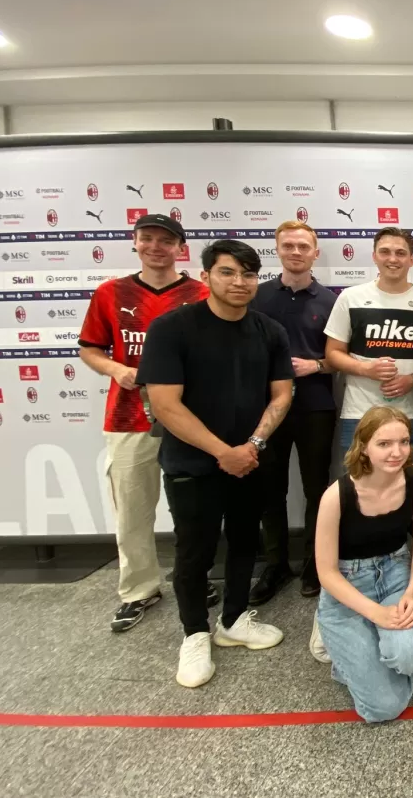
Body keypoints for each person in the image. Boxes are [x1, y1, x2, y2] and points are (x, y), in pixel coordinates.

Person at [137, 240, 294, 689]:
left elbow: (282, 393)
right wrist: (222, 451)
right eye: (228, 273)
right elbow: (165, 404)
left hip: (250, 460)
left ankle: (234, 619)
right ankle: (194, 633)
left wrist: (253, 444)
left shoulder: (269, 331)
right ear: (205, 276)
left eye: (248, 274)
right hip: (193, 464)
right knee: (194, 552)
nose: (239, 282)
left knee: (246, 542)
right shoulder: (172, 329)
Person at [78, 213, 213, 633]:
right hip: (128, 419)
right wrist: (116, 369)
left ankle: (196, 578)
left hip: (191, 419)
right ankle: (139, 589)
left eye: (166, 241)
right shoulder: (110, 293)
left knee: (195, 510)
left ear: (181, 249)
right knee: (133, 511)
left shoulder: (202, 293)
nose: (156, 247)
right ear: (135, 243)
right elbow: (89, 349)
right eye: (148, 239)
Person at [313, 406, 413, 723]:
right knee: (384, 708)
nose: (397, 452)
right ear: (364, 447)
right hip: (347, 585)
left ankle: (369, 649)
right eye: (384, 444)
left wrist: (411, 593)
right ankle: (341, 639)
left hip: (397, 574)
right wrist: (377, 613)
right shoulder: (336, 496)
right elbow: (326, 573)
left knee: (409, 658)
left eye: (404, 442)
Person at [249, 221, 338, 604]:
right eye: (289, 246)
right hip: (266, 408)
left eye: (304, 246)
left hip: (315, 405)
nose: (296, 252)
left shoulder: (332, 301)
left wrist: (315, 366)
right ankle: (275, 565)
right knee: (271, 488)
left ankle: (314, 565)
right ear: (278, 250)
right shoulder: (256, 296)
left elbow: (342, 359)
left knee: (317, 488)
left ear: (315, 253)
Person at [324, 227, 413, 462]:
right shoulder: (350, 297)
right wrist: (365, 369)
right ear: (374, 256)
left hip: (409, 414)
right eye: (385, 252)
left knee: (402, 486)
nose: (393, 259)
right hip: (358, 414)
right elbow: (333, 353)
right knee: (357, 488)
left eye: (400, 252)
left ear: (411, 259)